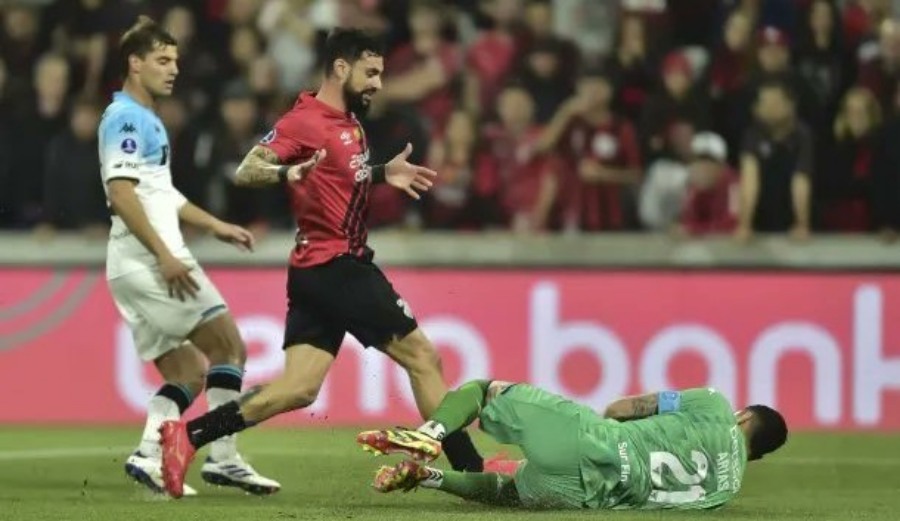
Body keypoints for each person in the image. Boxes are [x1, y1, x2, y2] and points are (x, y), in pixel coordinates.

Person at [159, 28, 492, 499]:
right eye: (371, 72)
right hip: (339, 265)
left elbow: (341, 177)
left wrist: (381, 174)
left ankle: (186, 437)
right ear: (341, 67)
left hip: (316, 271)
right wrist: (284, 171)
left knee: (297, 388)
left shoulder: (352, 121)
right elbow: (247, 168)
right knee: (424, 357)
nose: (378, 83)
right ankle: (473, 471)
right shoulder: (305, 119)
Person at [98, 16, 279, 496]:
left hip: (131, 265)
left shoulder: (147, 118)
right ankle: (224, 459)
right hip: (153, 260)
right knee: (230, 348)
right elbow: (121, 193)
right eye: (162, 59)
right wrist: (165, 255)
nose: (173, 69)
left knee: (188, 372)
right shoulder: (126, 119)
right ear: (134, 64)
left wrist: (214, 224)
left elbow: (161, 194)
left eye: (175, 59)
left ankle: (147, 454)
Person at [359, 381, 788, 510]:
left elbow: (625, 408)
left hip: (597, 444)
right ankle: (427, 477)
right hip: (592, 496)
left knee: (484, 390)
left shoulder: (716, 406)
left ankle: (428, 435)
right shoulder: (726, 492)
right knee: (510, 493)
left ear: (744, 417)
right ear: (759, 455)